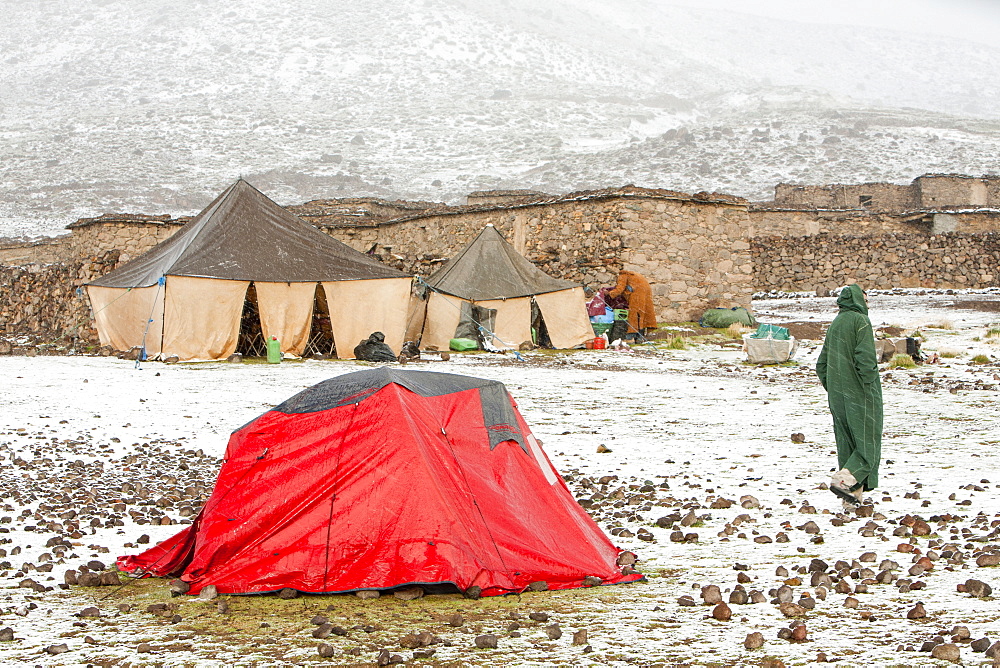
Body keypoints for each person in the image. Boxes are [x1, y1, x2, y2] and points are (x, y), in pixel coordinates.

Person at [815, 284, 883, 509]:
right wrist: (868, 385)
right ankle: (845, 479)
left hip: (837, 394)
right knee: (867, 440)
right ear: (856, 300)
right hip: (860, 392)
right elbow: (865, 360)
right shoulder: (860, 321)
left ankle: (852, 498)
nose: (867, 303)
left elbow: (822, 364)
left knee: (847, 441)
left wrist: (834, 387)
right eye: (865, 298)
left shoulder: (836, 323)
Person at [607, 269, 657, 338]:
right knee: (642, 314)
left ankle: (631, 335)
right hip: (645, 292)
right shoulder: (634, 275)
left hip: (637, 294)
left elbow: (620, 289)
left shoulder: (622, 276)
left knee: (633, 314)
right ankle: (640, 336)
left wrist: (609, 294)